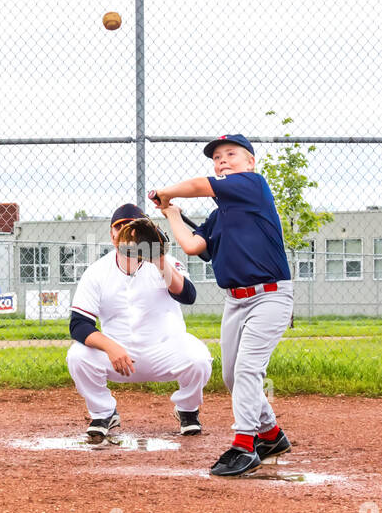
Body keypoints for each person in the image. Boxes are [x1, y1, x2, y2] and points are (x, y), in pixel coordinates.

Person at [149, 134, 293, 478]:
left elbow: (200, 185)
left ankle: (244, 445)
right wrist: (171, 212)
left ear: (250, 163)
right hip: (235, 301)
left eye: (230, 154)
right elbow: (193, 245)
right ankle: (271, 435)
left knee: (246, 371)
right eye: (217, 157)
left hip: (270, 296)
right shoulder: (219, 216)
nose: (222, 160)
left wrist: (167, 190)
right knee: (232, 376)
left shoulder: (253, 186)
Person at [66, 202, 212, 442]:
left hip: (165, 349)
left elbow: (188, 295)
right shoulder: (97, 271)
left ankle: (187, 410)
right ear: (111, 235)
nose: (125, 234)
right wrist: (110, 347)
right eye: (119, 228)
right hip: (119, 355)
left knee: (199, 358)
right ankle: (103, 413)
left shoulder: (164, 263)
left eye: (132, 228)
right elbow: (79, 324)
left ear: (143, 234)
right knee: (77, 356)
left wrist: (158, 259)